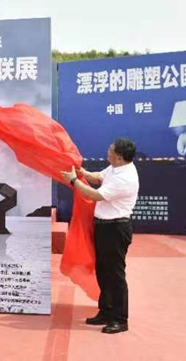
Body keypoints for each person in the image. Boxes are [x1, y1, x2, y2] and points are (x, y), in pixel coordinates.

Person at [61, 138, 139, 334]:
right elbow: (98, 177)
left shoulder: (125, 178)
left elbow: (94, 195)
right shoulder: (115, 168)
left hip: (116, 229)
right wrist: (83, 173)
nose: (107, 152)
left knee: (115, 275)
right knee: (103, 271)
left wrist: (74, 181)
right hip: (104, 227)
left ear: (119, 157)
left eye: (110, 150)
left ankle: (120, 319)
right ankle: (106, 311)